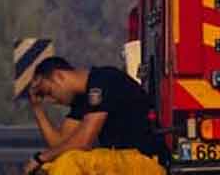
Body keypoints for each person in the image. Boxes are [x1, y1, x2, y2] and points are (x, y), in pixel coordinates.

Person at [24, 57, 164, 174]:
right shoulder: (82, 100)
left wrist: (41, 158)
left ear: (59, 76)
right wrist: (37, 108)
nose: (51, 100)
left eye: (49, 92)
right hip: (118, 160)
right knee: (51, 166)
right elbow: (59, 145)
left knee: (70, 162)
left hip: (141, 160)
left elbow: (83, 142)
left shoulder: (102, 81)